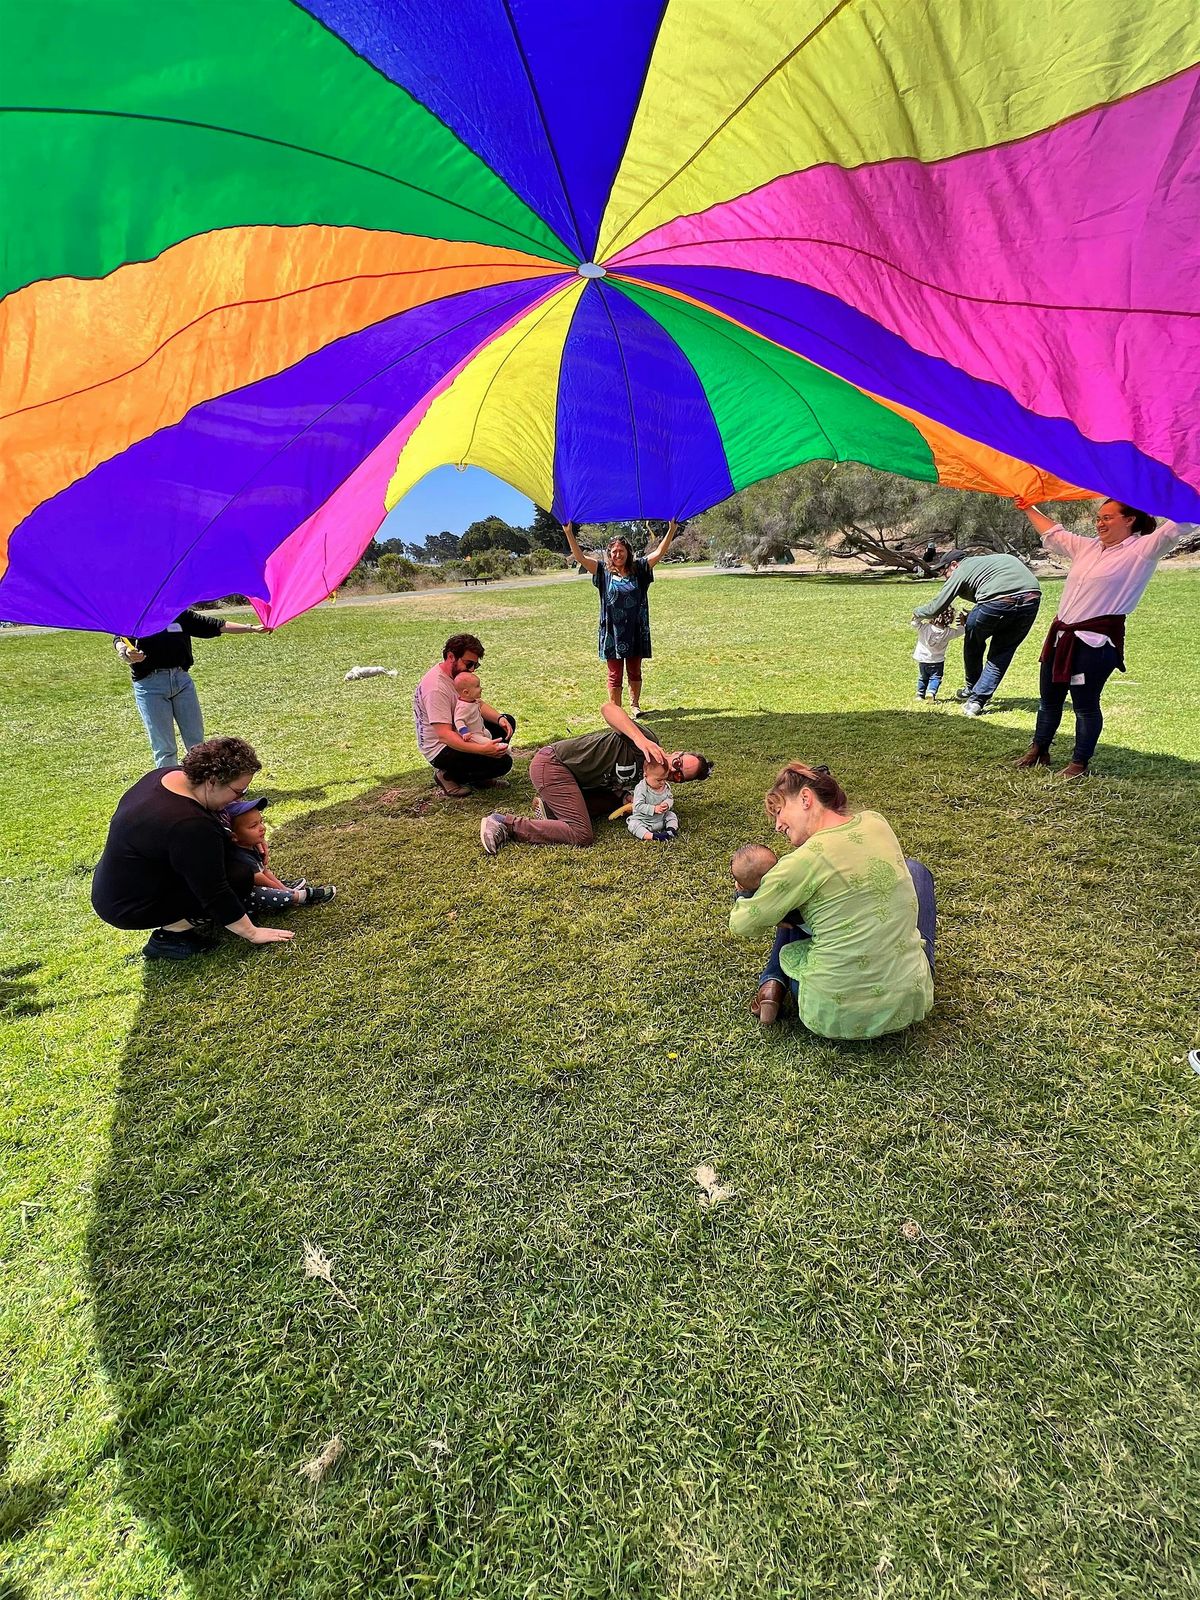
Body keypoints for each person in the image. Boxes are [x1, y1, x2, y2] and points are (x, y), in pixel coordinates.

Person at [728, 763, 934, 1038]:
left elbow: (741, 924)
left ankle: (772, 981)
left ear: (805, 798)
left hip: (834, 1014)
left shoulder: (801, 862)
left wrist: (744, 892)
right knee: (916, 870)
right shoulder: (876, 822)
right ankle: (914, 971)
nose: (777, 825)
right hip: (910, 1000)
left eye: (779, 812)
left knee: (792, 898)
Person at [1015, 499, 1196, 777]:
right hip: (1061, 637)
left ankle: (1079, 763)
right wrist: (1028, 507)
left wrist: (1186, 488)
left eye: (1108, 518)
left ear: (1129, 520)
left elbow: (1177, 526)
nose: (1099, 523)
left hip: (1095, 642)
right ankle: (1039, 749)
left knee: (1085, 704)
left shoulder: (1143, 550)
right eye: (1098, 518)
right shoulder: (1087, 547)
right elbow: (1054, 534)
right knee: (1049, 698)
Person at [90, 736, 295, 960]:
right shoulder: (189, 825)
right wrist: (252, 932)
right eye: (239, 791)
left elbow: (215, 829)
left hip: (119, 885)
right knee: (238, 878)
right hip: (129, 905)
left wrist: (249, 835)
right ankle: (170, 935)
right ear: (213, 781)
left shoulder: (169, 776)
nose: (240, 797)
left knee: (231, 869)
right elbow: (214, 890)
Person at [479, 703, 711, 854]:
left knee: (620, 801)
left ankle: (551, 811)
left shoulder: (654, 785)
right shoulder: (646, 743)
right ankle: (504, 823)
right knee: (582, 834)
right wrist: (639, 739)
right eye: (679, 763)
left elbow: (621, 791)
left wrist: (628, 799)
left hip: (578, 782)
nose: (675, 771)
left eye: (681, 776)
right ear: (676, 753)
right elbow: (608, 709)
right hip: (553, 764)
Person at [115, 608, 266, 768]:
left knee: (197, 743)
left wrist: (251, 628)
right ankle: (168, 790)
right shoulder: (137, 613)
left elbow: (215, 625)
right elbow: (119, 639)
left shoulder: (178, 612)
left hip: (181, 681)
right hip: (150, 686)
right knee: (164, 748)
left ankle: (201, 785)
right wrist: (125, 651)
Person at [563, 521, 678, 717]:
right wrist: (569, 533)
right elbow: (580, 557)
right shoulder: (602, 571)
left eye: (621, 550)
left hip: (635, 629)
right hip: (612, 632)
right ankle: (616, 711)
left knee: (635, 671)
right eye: (614, 551)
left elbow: (659, 552)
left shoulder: (640, 568)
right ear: (609, 554)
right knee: (614, 675)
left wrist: (672, 530)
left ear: (628, 552)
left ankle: (635, 706)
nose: (618, 554)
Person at [912, 549, 1041, 716]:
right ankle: (976, 702)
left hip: (996, 602)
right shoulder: (993, 562)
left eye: (945, 573)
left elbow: (935, 608)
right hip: (1031, 600)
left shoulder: (963, 569)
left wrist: (917, 612)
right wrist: (975, 614)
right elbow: (998, 585)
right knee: (1002, 653)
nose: (945, 577)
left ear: (954, 564)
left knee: (973, 643)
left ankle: (972, 689)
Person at [413, 634, 516, 797]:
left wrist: (499, 718)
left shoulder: (458, 678)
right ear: (451, 657)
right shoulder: (436, 688)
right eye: (469, 664)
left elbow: (476, 704)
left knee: (506, 723)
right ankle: (448, 775)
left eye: (476, 665)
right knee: (503, 764)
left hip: (465, 733)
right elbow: (444, 736)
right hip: (441, 749)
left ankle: (478, 776)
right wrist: (483, 749)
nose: (472, 669)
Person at [225, 798, 336, 913]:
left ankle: (288, 890)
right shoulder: (240, 857)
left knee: (274, 889)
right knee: (264, 893)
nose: (262, 828)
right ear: (234, 836)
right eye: (253, 826)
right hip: (243, 897)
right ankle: (300, 897)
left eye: (261, 822)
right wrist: (282, 891)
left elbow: (265, 871)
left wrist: (283, 888)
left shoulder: (251, 846)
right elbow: (262, 879)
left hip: (257, 884)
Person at [910, 604, 966, 701]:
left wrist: (924, 613)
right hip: (937, 661)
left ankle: (920, 694)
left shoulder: (925, 628)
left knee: (922, 677)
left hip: (923, 659)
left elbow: (914, 623)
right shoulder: (948, 632)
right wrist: (962, 622)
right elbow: (960, 631)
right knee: (935, 678)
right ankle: (931, 692)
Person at [627, 753, 678, 841]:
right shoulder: (641, 788)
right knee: (632, 824)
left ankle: (671, 830)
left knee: (671, 815)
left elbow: (670, 797)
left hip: (661, 818)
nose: (662, 782)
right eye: (659, 780)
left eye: (664, 778)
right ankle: (653, 836)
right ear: (645, 775)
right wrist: (654, 809)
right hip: (644, 821)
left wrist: (667, 803)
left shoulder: (665, 786)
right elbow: (638, 806)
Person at [452, 671, 502, 749]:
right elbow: (458, 720)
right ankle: (502, 748)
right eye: (477, 686)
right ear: (466, 692)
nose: (481, 688)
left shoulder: (474, 700)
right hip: (472, 735)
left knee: (488, 734)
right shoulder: (463, 707)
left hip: (480, 730)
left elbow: (480, 706)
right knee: (487, 743)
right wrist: (464, 732)